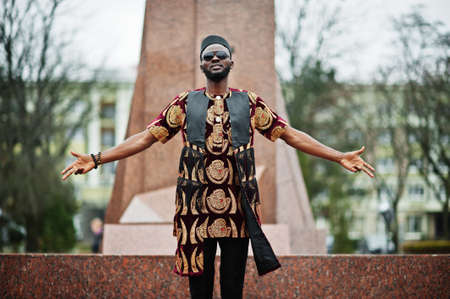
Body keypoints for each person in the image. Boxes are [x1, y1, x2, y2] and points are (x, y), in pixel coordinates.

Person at [61, 35, 375, 299]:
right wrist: (97, 158)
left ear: (230, 62)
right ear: (201, 64)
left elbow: (289, 134)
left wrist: (337, 156)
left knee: (232, 290)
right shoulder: (184, 103)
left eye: (221, 54)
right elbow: (145, 138)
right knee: (199, 291)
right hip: (195, 216)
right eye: (208, 55)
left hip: (238, 215)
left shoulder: (250, 103)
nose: (215, 58)